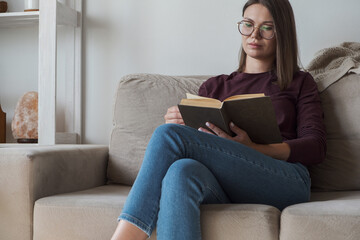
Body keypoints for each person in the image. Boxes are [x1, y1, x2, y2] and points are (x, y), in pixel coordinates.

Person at [111, 0, 326, 239]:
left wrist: (255, 149)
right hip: (225, 181)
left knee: (167, 136)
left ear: (281, 32)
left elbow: (315, 146)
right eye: (248, 24)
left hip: (284, 180)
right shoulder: (214, 87)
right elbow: (198, 146)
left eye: (267, 27)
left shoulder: (300, 82)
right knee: (180, 171)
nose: (254, 34)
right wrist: (181, 125)